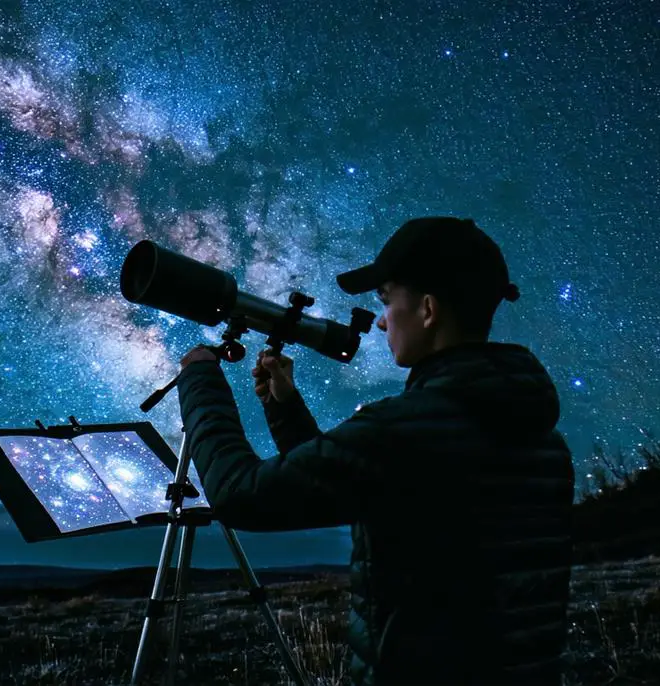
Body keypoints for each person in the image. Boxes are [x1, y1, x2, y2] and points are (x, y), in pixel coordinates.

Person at [176, 217, 575, 686]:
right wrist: (284, 409)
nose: (382, 320)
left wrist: (200, 379)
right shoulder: (539, 436)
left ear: (427, 309)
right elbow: (366, 488)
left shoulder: (403, 430)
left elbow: (239, 493)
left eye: (386, 301)